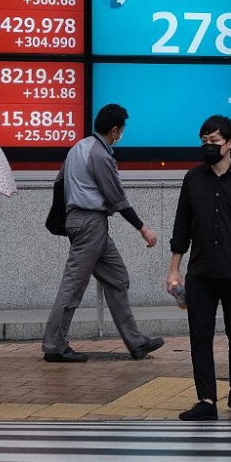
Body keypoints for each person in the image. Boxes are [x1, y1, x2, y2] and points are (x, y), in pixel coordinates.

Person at [168, 115, 231, 421]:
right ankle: (206, 399)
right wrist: (174, 270)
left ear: (230, 144)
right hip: (200, 272)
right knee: (200, 335)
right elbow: (181, 228)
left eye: (214, 142)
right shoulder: (193, 179)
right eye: (204, 141)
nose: (208, 147)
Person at [42, 104, 163, 364]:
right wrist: (143, 228)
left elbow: (59, 182)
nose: (122, 133)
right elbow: (117, 198)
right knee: (73, 285)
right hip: (90, 224)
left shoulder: (79, 147)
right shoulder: (100, 155)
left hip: (84, 223)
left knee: (117, 276)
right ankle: (54, 344)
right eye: (122, 129)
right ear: (114, 130)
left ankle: (136, 342)